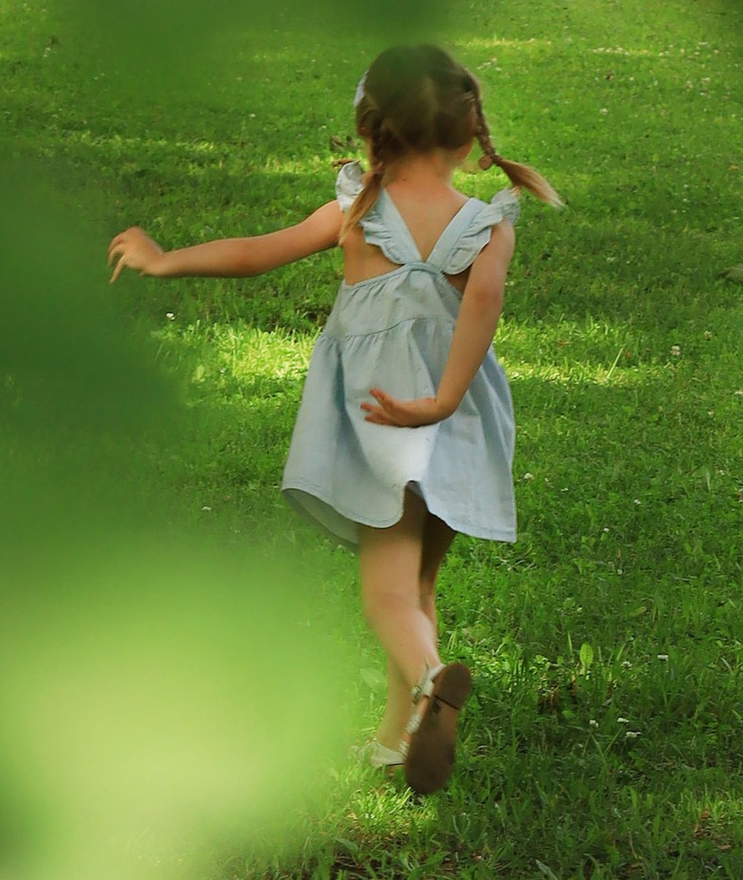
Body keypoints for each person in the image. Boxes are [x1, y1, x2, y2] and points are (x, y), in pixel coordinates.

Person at [107, 44, 561, 793]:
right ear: (464, 135)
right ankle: (396, 736)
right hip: (456, 418)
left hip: (383, 417)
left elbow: (256, 253)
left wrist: (164, 259)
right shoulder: (488, 223)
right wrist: (445, 398)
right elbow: (484, 305)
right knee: (417, 585)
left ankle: (429, 678)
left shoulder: (356, 210)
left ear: (371, 131)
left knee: (385, 591)